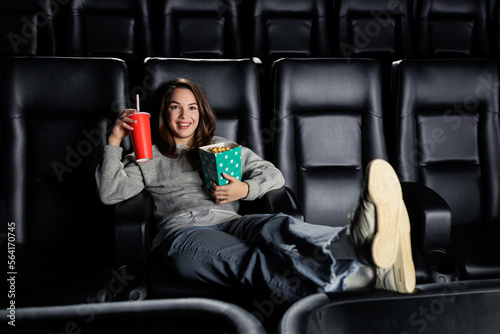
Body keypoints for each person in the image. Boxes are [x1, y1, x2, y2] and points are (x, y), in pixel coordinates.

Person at [96, 78, 416, 304]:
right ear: (164, 113)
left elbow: (273, 175)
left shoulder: (222, 147)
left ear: (201, 112)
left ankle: (355, 243)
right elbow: (110, 193)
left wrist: (244, 189)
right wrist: (114, 140)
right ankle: (357, 275)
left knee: (280, 227)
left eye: (192, 108)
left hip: (231, 220)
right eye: (175, 108)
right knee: (255, 260)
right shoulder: (148, 156)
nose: (184, 116)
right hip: (184, 232)